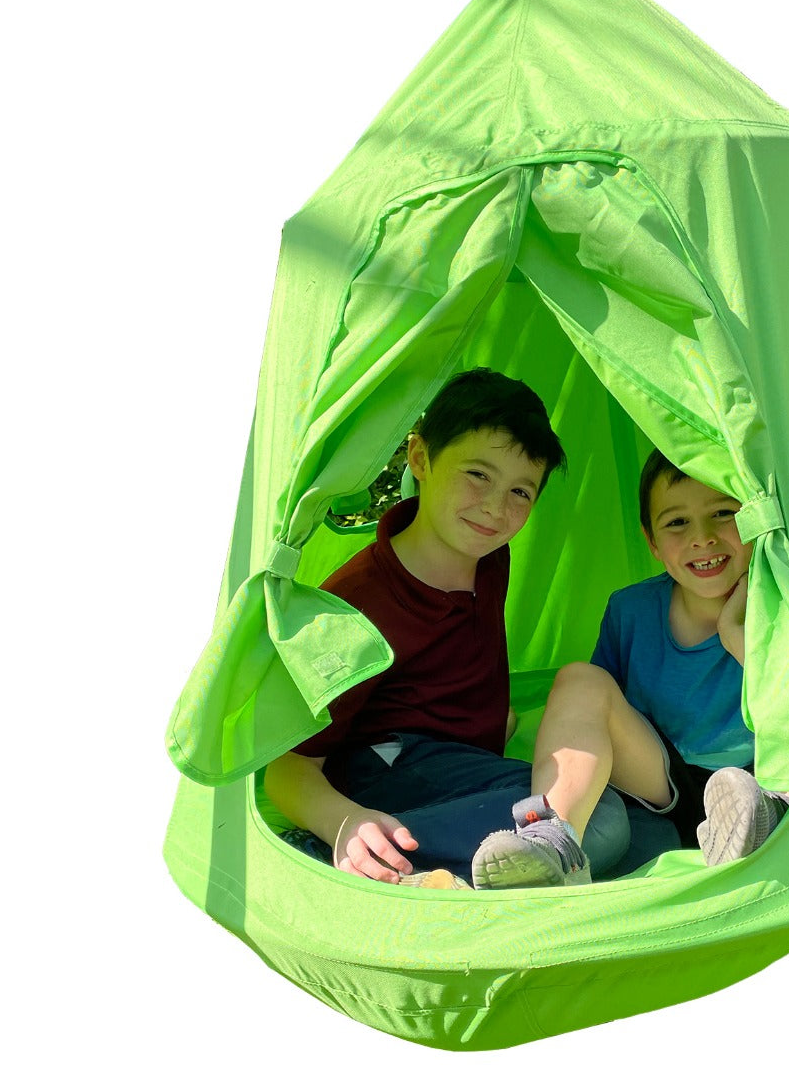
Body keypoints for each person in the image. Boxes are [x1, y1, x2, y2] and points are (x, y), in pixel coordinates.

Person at [264, 368, 627, 889]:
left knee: (628, 819)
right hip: (383, 770)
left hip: (450, 766)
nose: (495, 508)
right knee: (604, 823)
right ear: (420, 459)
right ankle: (344, 858)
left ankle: (444, 868)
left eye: (521, 492)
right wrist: (342, 826)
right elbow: (288, 766)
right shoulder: (357, 605)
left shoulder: (489, 556)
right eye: (477, 475)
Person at [472, 448, 789, 890]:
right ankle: (552, 839)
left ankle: (760, 822)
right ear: (653, 542)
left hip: (753, 781)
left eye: (723, 513)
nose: (702, 538)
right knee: (580, 680)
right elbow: (596, 719)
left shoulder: (782, 603)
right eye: (677, 522)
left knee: (740, 785)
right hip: (660, 781)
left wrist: (736, 637)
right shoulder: (632, 610)